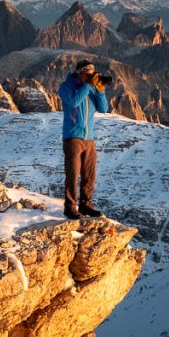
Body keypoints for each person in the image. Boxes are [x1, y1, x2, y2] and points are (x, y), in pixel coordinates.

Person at [58, 59, 109, 219]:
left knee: (89, 174)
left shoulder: (90, 89)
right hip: (73, 137)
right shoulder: (66, 87)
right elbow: (73, 102)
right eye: (89, 73)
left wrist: (100, 90)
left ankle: (86, 205)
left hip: (89, 138)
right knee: (73, 174)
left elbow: (103, 108)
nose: (91, 76)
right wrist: (87, 85)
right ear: (81, 73)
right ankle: (70, 207)